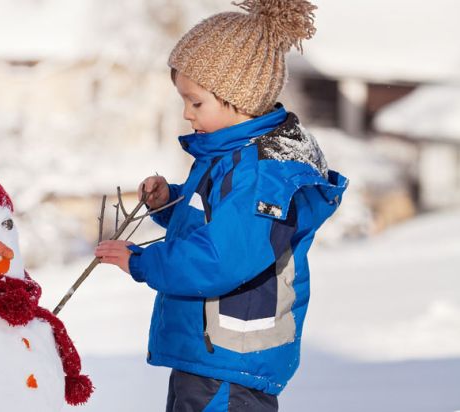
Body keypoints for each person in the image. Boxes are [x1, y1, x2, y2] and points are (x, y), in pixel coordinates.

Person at [95, 0, 348, 410]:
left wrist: (140, 261)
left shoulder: (261, 173)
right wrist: (170, 204)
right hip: (212, 354)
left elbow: (223, 258)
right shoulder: (232, 157)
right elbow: (217, 226)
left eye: (196, 102)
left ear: (239, 97)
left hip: (230, 357)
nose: (186, 114)